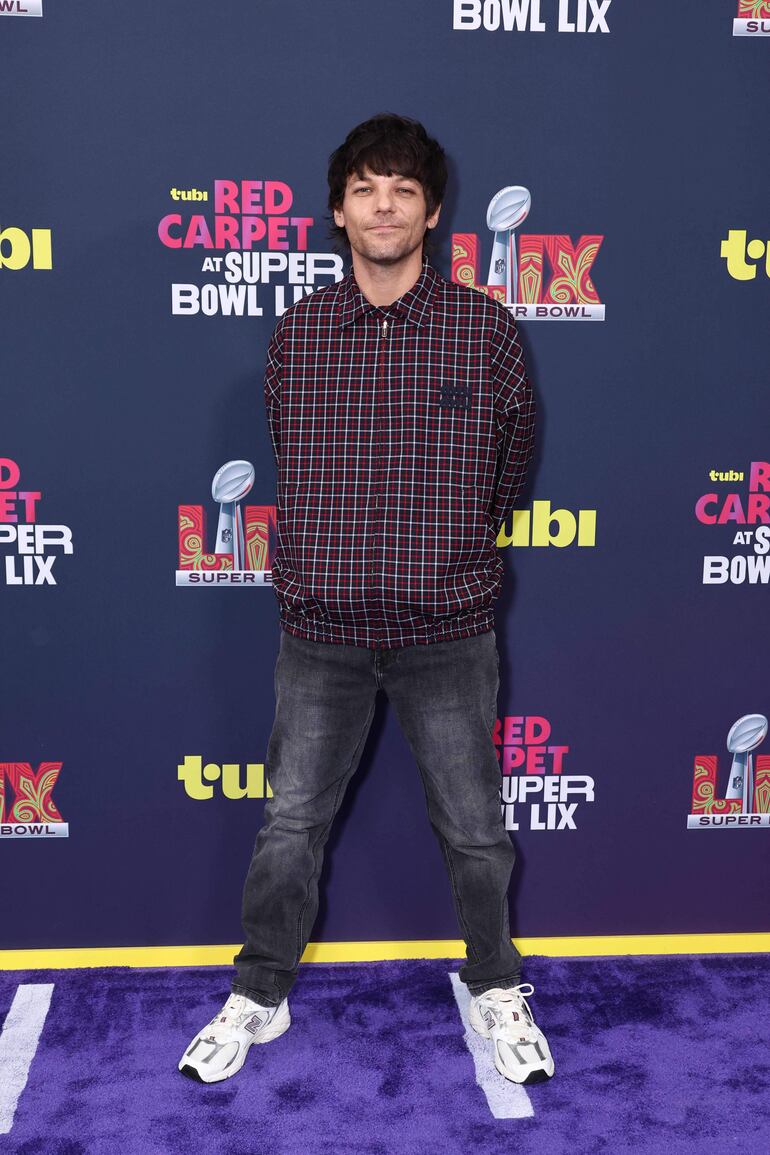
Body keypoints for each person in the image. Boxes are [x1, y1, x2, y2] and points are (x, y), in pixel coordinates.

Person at [179, 113, 553, 1087]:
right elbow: (288, 462)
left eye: (401, 190)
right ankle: (259, 993)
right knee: (288, 825)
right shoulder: (299, 334)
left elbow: (506, 473)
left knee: (474, 829)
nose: (381, 205)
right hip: (322, 636)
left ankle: (494, 985)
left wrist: (447, 553)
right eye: (362, 189)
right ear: (337, 212)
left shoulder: (485, 331)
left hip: (447, 633)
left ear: (431, 212)